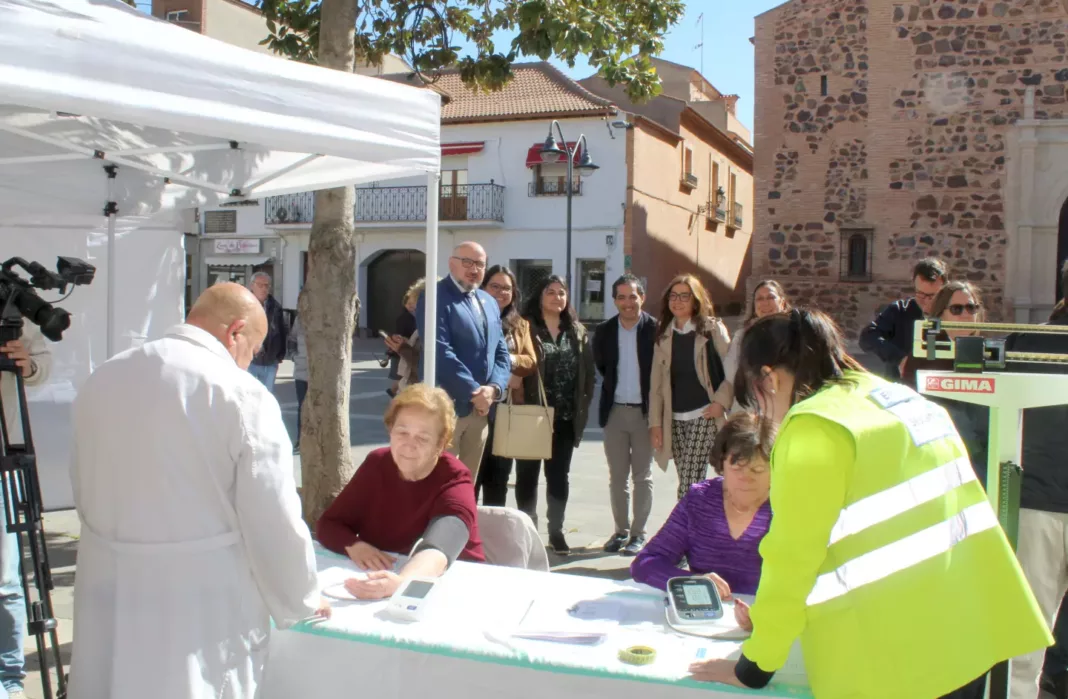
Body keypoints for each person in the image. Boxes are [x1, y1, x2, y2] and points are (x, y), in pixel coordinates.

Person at [688, 307, 1051, 699]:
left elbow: (790, 559)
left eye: (757, 401)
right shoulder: (905, 401)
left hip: (895, 659)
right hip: (969, 632)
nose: (765, 415)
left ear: (770, 378)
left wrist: (755, 666)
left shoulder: (814, 427)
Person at [68, 282, 327, 699]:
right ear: (235, 332)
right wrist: (301, 597)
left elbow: (82, 478)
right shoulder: (240, 393)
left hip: (107, 579)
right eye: (253, 349)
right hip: (198, 596)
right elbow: (272, 515)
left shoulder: (106, 375)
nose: (250, 360)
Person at [316, 384, 485, 600]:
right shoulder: (377, 463)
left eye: (422, 438)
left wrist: (402, 582)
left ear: (440, 444)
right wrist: (355, 545)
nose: (408, 445)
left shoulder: (455, 477)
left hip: (451, 588)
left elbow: (439, 547)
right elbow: (330, 523)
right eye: (402, 432)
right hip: (380, 580)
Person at [631, 412, 773, 617]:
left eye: (757, 469)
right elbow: (645, 564)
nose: (746, 478)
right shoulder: (700, 500)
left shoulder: (786, 508)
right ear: (722, 464)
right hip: (703, 620)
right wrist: (692, 582)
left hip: (770, 621)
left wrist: (764, 617)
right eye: (736, 467)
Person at [1006, 260, 1068, 699]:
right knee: (1028, 634)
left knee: (1027, 636)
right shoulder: (1031, 341)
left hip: (1038, 504)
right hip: (1041, 503)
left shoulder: (1030, 339)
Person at [416, 242, 510, 479]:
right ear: (452, 263)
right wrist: (475, 392)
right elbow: (439, 351)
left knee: (467, 484)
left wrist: (494, 389)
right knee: (437, 482)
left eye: (480, 264)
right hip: (447, 408)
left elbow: (501, 352)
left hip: (481, 410)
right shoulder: (434, 297)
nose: (474, 269)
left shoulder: (489, 301)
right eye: (467, 262)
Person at [515, 275, 595, 555]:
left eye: (562, 293)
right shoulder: (525, 327)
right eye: (551, 292)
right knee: (527, 475)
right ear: (540, 296)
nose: (557, 297)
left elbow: (588, 374)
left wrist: (582, 405)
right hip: (533, 414)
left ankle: (556, 531)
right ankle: (528, 531)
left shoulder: (576, 331)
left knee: (559, 477)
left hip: (564, 418)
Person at [648, 274, 732, 500]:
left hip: (704, 414)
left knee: (689, 480)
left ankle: (683, 521)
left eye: (684, 296)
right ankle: (699, 518)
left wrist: (720, 402)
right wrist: (655, 423)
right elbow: (656, 385)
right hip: (674, 419)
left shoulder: (712, 329)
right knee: (690, 479)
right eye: (673, 296)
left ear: (696, 300)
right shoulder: (664, 335)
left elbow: (732, 370)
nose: (678, 301)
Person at [0, 325, 50, 699]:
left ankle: (9, 679)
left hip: (3, 457)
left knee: (4, 580)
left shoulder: (10, 308)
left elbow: (41, 365)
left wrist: (27, 364)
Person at [593, 274, 658, 556]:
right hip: (615, 412)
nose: (627, 302)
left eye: (633, 296)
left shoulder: (656, 329)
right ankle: (620, 531)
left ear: (642, 297)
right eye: (621, 297)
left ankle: (638, 534)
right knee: (617, 477)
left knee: (642, 476)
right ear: (614, 301)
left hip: (645, 414)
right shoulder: (605, 331)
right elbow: (602, 366)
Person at [901, 281, 989, 484]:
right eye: (957, 309)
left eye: (971, 308)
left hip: (981, 451)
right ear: (941, 314)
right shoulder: (924, 353)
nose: (966, 314)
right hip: (941, 452)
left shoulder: (986, 352)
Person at [477, 265, 537, 506]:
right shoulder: (471, 316)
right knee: (470, 477)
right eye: (495, 286)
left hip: (505, 409)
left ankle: (494, 526)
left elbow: (530, 361)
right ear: (483, 288)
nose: (501, 292)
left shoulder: (519, 324)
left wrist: (507, 362)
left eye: (507, 288)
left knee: (498, 479)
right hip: (475, 406)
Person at [859, 257, 948, 381]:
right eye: (920, 294)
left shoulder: (954, 312)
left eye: (933, 296)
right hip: (902, 385)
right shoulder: (899, 310)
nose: (926, 301)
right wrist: (899, 358)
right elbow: (868, 337)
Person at [722, 280, 790, 415]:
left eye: (771, 297)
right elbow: (729, 371)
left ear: (782, 302)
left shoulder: (793, 334)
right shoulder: (742, 336)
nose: (765, 303)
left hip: (781, 409)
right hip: (748, 410)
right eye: (759, 299)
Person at [384, 279, 427, 394]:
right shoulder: (421, 327)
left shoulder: (433, 330)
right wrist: (403, 343)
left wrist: (402, 348)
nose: (415, 311)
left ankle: (393, 392)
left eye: (416, 307)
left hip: (419, 392)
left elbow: (424, 365)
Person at [247, 271, 288, 391]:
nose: (264, 289)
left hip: (270, 362)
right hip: (249, 361)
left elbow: (282, 331)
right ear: (252, 286)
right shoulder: (244, 304)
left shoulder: (276, 307)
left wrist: (279, 356)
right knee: (248, 395)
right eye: (260, 285)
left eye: (267, 285)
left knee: (266, 397)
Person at [290, 313, 308, 454]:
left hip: (321, 373)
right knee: (302, 407)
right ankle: (300, 440)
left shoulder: (324, 315)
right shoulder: (300, 318)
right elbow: (292, 339)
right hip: (301, 371)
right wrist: (293, 356)